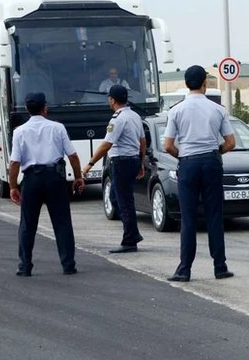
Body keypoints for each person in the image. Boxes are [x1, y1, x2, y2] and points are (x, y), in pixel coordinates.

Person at [163, 65, 236, 282]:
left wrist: (184, 156)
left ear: (186, 84)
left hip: (188, 163)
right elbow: (231, 142)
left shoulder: (176, 110)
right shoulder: (218, 110)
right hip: (211, 162)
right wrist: (215, 152)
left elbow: (167, 145)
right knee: (214, 215)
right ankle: (220, 266)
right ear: (205, 83)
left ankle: (184, 269)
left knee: (188, 218)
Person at [8, 92, 85, 276]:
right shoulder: (57, 128)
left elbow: (14, 163)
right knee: (62, 222)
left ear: (27, 109)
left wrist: (12, 186)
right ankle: (68, 265)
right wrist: (78, 177)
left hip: (31, 179)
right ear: (45, 108)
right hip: (55, 178)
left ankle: (25, 267)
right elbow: (72, 155)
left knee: (27, 224)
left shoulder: (19, 131)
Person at [82, 85, 146, 253]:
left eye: (109, 98)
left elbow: (106, 145)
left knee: (123, 201)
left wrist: (90, 163)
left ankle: (130, 240)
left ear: (113, 99)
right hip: (132, 161)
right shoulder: (135, 116)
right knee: (117, 198)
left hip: (121, 163)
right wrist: (140, 162)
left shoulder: (117, 119)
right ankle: (133, 233)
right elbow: (142, 141)